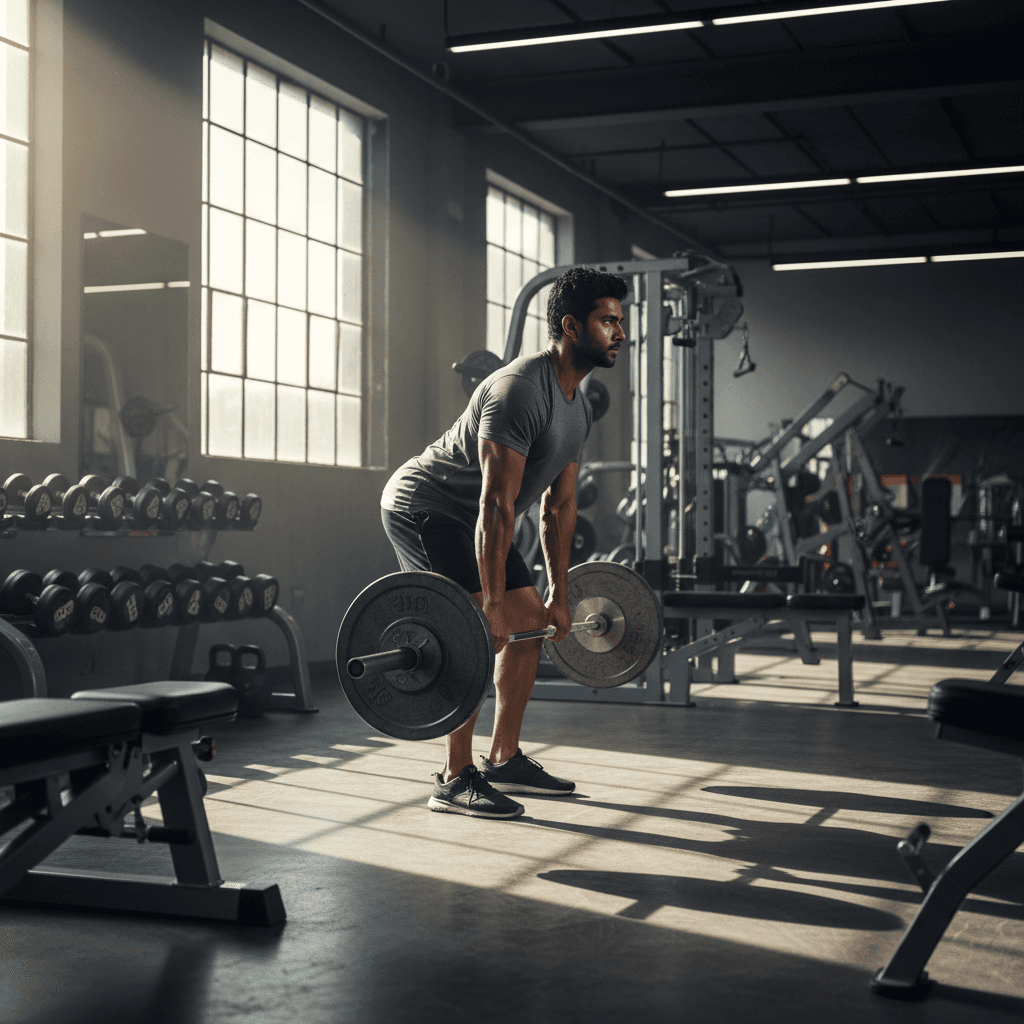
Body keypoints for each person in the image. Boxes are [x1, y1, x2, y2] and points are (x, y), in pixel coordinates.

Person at [380, 266, 628, 818]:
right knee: (470, 630)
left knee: (529, 624)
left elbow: (560, 507)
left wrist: (559, 594)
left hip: (473, 514)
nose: (620, 332)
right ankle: (452, 775)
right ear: (570, 325)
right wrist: (488, 606)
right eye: (608, 320)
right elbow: (495, 505)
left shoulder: (577, 406)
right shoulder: (519, 390)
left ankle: (503, 756)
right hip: (425, 504)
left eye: (620, 321)